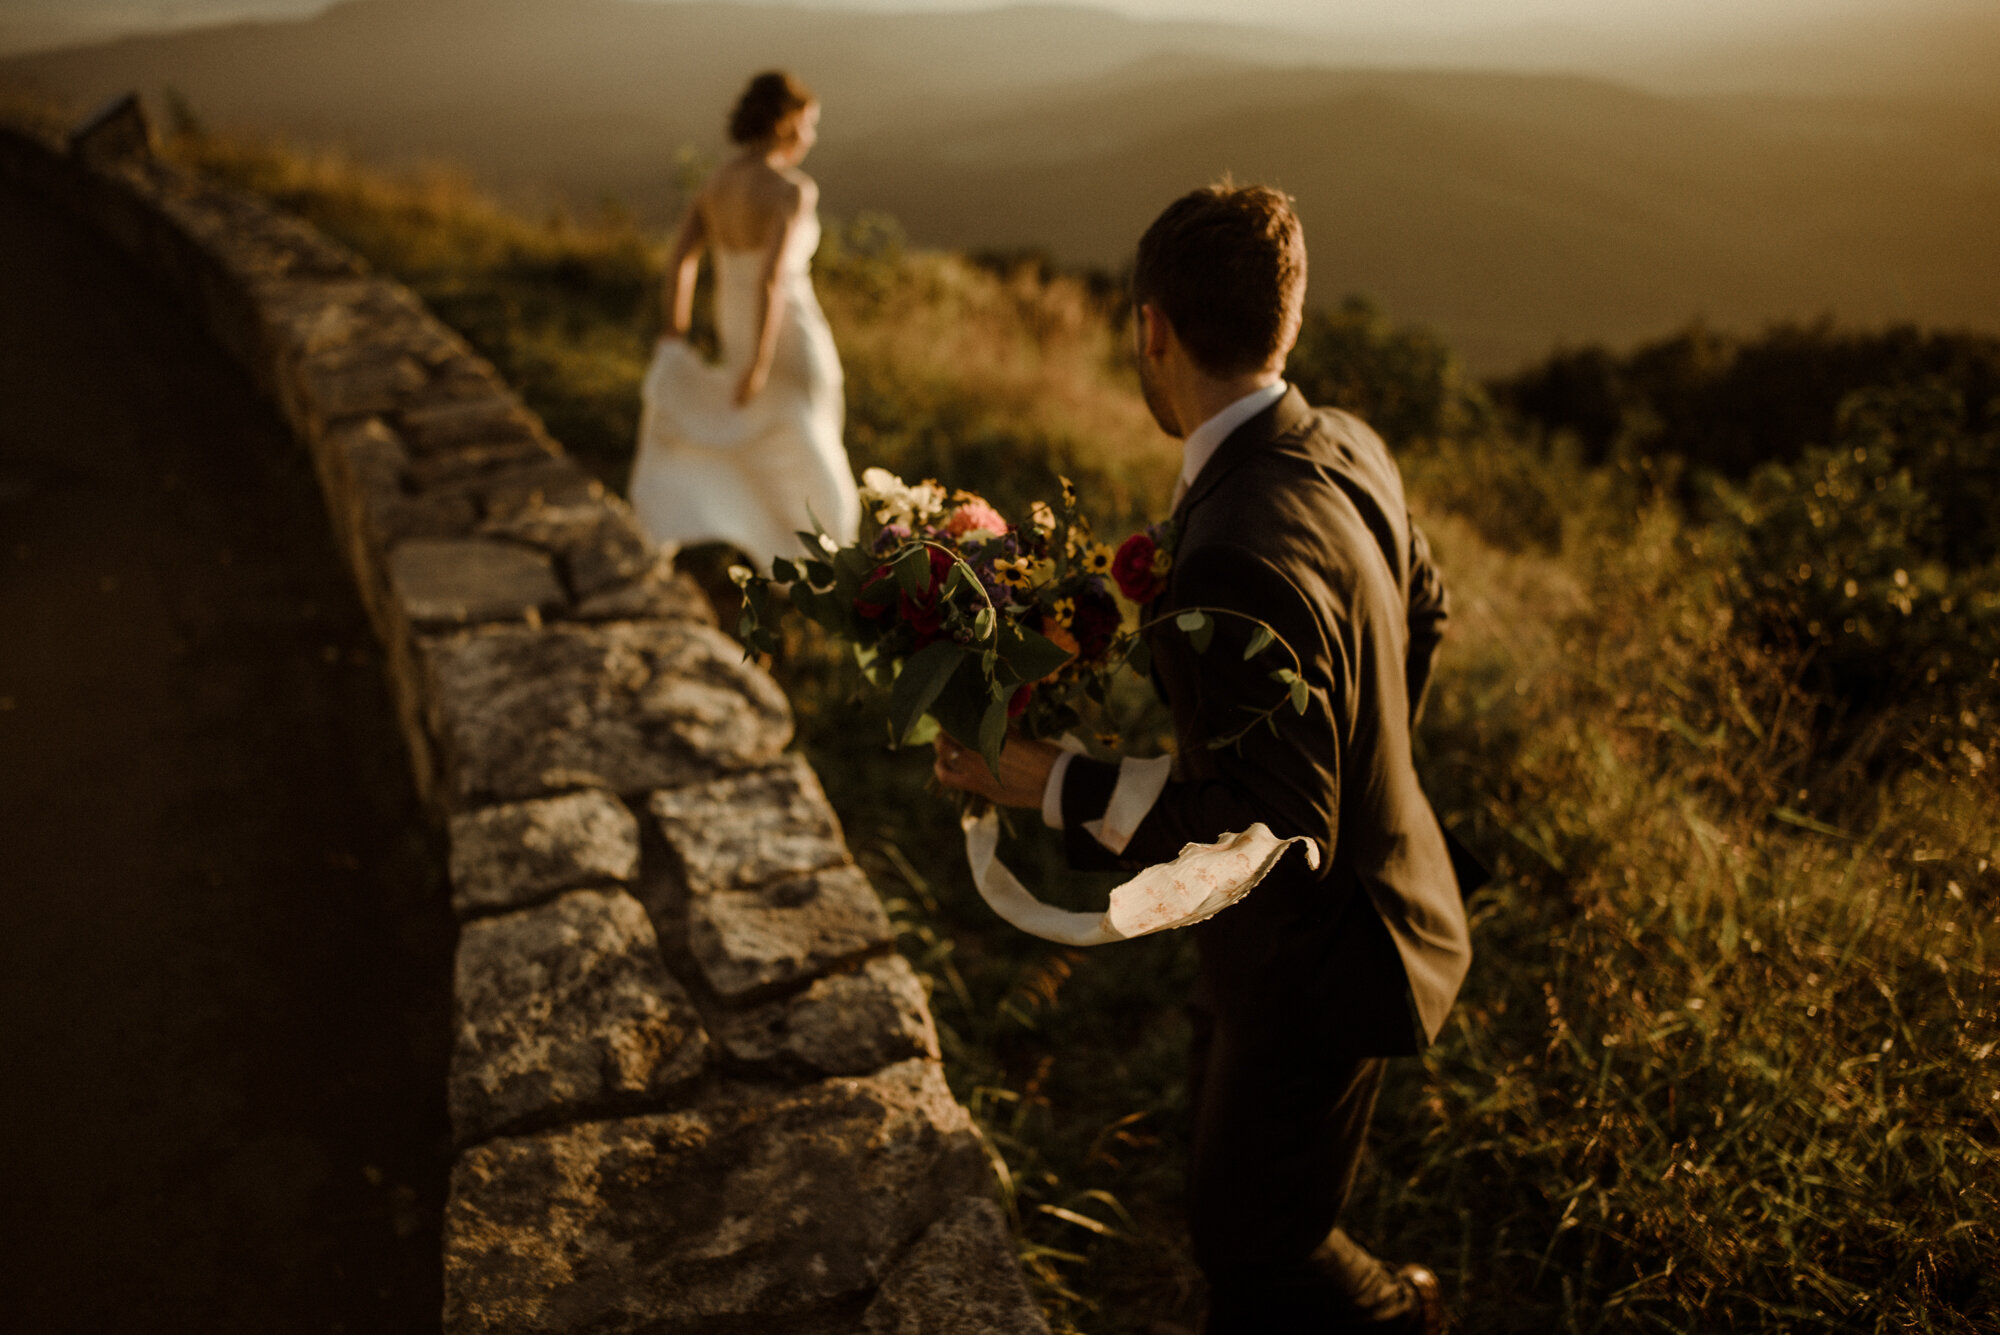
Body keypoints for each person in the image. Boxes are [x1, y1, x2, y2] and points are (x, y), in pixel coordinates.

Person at [934, 183, 1471, 1334]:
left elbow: (1271, 844)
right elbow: (1424, 606)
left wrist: (1050, 784)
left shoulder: (1233, 544)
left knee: (1252, 1248)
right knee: (1237, 1181)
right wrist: (1367, 748)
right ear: (1287, 316)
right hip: (1320, 925)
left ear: (1152, 331)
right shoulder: (1343, 442)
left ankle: (1404, 1316)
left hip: (1326, 955)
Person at [627, 70, 861, 568]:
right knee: (810, 439)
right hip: (788, 337)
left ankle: (780, 553)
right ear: (784, 122)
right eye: (808, 123)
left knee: (764, 438)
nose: (811, 137)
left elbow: (681, 260)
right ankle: (827, 564)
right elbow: (771, 281)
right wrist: (760, 363)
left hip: (737, 329)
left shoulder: (715, 184)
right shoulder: (792, 190)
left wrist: (676, 331)